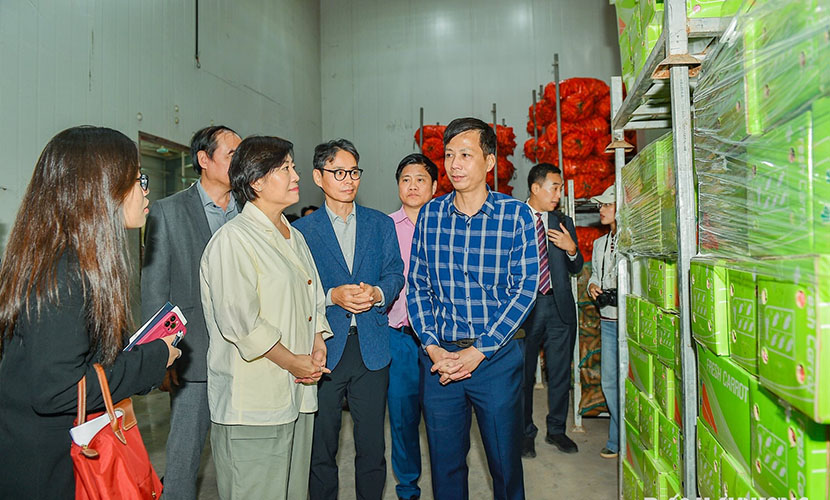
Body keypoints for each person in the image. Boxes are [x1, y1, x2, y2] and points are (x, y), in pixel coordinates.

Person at [0, 126, 181, 498]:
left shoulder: (69, 259)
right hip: (48, 467)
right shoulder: (64, 272)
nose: (145, 190)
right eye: (137, 179)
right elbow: (58, 388)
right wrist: (154, 357)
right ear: (100, 189)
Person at [408, 117, 539, 500]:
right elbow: (418, 285)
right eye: (449, 155)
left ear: (490, 161)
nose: (455, 164)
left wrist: (480, 350)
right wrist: (433, 347)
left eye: (466, 155)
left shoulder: (515, 216)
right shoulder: (431, 215)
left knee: (504, 463)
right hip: (441, 361)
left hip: (495, 360)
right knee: (445, 465)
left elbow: (524, 289)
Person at [199, 136, 332, 499]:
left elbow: (313, 298)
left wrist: (317, 342)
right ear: (256, 181)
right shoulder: (234, 240)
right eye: (285, 168)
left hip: (298, 394)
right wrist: (293, 362)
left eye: (293, 167)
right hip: (253, 403)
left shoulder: (294, 236)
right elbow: (242, 323)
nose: (296, 175)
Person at [293, 139, 404, 500]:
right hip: (324, 349)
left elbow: (395, 273)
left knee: (371, 446)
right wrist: (331, 296)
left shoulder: (380, 224)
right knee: (321, 446)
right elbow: (298, 287)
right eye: (338, 172)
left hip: (371, 348)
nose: (348, 180)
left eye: (354, 172)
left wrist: (378, 293)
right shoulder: (301, 231)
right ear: (318, 177)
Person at [141, 125, 242, 500]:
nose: (240, 162)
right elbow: (154, 289)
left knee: (242, 457)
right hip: (191, 353)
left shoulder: (249, 210)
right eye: (232, 154)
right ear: (204, 159)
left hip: (246, 353)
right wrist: (160, 357)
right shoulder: (167, 212)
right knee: (184, 456)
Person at [520, 162, 584, 458]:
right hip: (524, 309)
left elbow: (576, 266)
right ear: (536, 188)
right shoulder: (513, 219)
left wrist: (571, 248)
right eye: (554, 188)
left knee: (559, 373)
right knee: (522, 374)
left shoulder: (562, 221)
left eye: (559, 189)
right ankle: (524, 433)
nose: (558, 194)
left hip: (559, 308)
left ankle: (556, 430)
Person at [387, 153, 437, 500]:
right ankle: (407, 489)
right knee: (403, 418)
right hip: (400, 339)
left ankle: (448, 485)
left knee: (443, 420)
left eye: (421, 179)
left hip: (441, 341)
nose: (413, 185)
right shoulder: (384, 228)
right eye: (406, 179)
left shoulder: (448, 227)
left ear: (434, 186)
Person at [587, 186, 619, 459]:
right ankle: (616, 439)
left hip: (630, 321)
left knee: (631, 381)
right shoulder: (599, 244)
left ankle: (625, 439)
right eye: (601, 205)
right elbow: (595, 276)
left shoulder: (633, 241)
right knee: (609, 382)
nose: (602, 210)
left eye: (608, 205)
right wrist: (593, 286)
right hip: (608, 320)